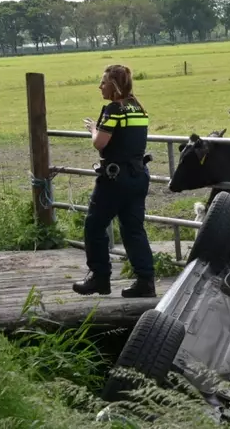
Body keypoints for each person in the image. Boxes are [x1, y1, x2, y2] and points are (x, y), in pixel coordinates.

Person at [72, 64, 157, 298]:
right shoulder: (139, 108)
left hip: (114, 178)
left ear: (115, 86)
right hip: (138, 176)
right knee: (133, 229)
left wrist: (93, 129)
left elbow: (100, 143)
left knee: (94, 225)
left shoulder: (114, 109)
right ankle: (145, 280)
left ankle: (99, 277)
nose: (100, 86)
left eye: (103, 82)